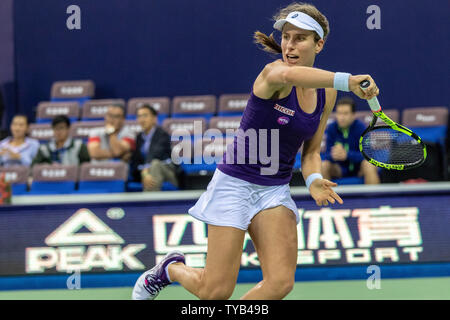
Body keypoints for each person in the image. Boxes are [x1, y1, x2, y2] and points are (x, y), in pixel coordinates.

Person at [132, 2, 379, 300]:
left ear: (319, 43)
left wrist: (313, 181)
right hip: (234, 184)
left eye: (300, 38)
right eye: (286, 36)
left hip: (273, 191)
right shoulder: (273, 73)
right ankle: (170, 269)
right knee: (215, 292)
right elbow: (290, 77)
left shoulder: (327, 94)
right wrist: (348, 80)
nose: (289, 45)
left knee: (280, 283)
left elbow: (312, 151)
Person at [322, 97, 380, 184]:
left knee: (369, 164)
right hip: (339, 169)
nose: (341, 117)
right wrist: (333, 155)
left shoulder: (361, 128)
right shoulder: (331, 128)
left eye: (345, 113)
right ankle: (326, 197)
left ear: (353, 115)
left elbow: (368, 156)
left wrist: (347, 154)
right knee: (324, 165)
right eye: (339, 113)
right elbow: (326, 155)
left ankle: (375, 197)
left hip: (359, 169)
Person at [129, 105, 180, 191]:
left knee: (155, 164)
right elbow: (136, 162)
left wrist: (145, 171)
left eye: (145, 115)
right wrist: (143, 172)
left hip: (168, 172)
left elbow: (155, 153)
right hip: (145, 173)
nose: (142, 119)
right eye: (139, 116)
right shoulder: (139, 137)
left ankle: (148, 202)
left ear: (154, 118)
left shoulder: (162, 134)